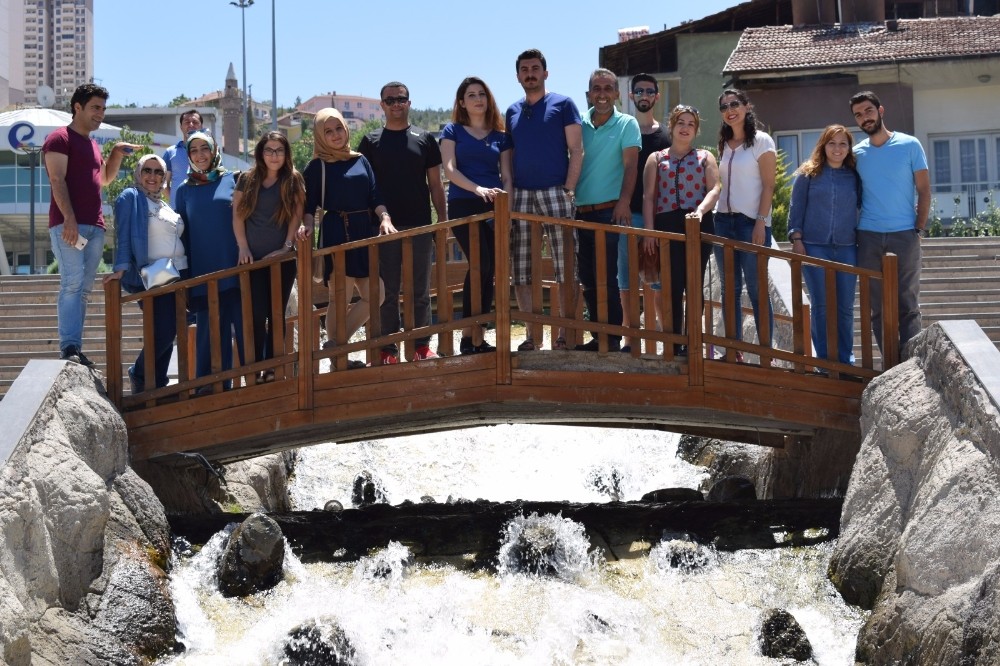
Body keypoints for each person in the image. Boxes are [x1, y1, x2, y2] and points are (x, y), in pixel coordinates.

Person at [43, 82, 139, 366]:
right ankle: (68, 347)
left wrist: (117, 154)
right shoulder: (59, 139)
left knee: (83, 289)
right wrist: (69, 219)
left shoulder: (92, 145)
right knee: (72, 284)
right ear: (78, 107)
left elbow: (104, 179)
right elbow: (57, 180)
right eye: (95, 108)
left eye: (103, 108)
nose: (100, 113)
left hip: (95, 228)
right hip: (67, 225)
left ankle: (74, 347)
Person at [358, 81, 446, 364]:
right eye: (390, 100)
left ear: (409, 103)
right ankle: (388, 351)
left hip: (420, 225)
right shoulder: (370, 142)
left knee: (420, 290)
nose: (396, 104)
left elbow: (436, 185)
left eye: (401, 99)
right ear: (382, 105)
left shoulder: (425, 139)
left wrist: (441, 223)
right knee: (387, 292)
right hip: (382, 229)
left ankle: (422, 346)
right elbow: (365, 189)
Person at [300, 108, 395, 363]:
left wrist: (385, 217)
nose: (335, 135)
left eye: (339, 128)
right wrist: (307, 226)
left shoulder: (361, 160)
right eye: (328, 131)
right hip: (335, 231)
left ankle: (334, 346)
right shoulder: (316, 166)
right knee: (338, 299)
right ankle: (338, 359)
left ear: (346, 128)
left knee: (377, 293)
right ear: (320, 136)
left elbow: (375, 195)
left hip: (363, 230)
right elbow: (308, 207)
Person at [505, 48, 583, 351]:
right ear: (518, 76)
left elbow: (576, 149)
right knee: (522, 267)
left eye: (535, 68)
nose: (530, 74)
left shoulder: (563, 104)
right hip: (521, 195)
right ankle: (531, 335)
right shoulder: (511, 111)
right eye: (524, 69)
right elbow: (508, 156)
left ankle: (564, 334)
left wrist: (568, 189)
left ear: (545, 73)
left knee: (566, 266)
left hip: (556, 192)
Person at [849, 90, 930, 359]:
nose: (864, 118)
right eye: (858, 115)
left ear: (880, 111)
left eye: (868, 111)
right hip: (869, 236)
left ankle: (912, 363)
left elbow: (924, 191)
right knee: (878, 308)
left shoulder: (910, 145)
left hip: (904, 234)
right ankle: (891, 364)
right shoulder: (856, 154)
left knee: (908, 303)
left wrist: (917, 228)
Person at [104, 154, 189, 393]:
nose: (152, 176)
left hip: (177, 275)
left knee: (168, 328)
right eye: (147, 171)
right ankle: (140, 374)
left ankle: (157, 381)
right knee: (164, 331)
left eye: (158, 172)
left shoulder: (163, 204)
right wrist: (120, 267)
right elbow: (123, 234)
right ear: (139, 174)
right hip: (153, 275)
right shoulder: (131, 197)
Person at [440, 76, 512, 355]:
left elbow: (507, 175)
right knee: (479, 264)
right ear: (462, 102)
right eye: (471, 95)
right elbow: (449, 170)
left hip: (495, 207)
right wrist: (478, 188)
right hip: (464, 204)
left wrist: (506, 204)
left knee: (490, 270)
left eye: (482, 93)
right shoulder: (452, 130)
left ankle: (476, 337)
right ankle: (469, 335)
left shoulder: (501, 136)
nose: (478, 99)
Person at [641, 105, 721, 356]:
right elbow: (649, 198)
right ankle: (674, 343)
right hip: (666, 225)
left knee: (693, 284)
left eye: (691, 124)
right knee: (671, 287)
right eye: (681, 123)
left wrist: (700, 210)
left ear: (696, 130)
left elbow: (714, 189)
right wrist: (649, 232)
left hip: (697, 223)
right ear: (672, 126)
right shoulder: (656, 158)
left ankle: (692, 341)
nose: (685, 128)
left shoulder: (705, 157)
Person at [574, 68, 640, 352]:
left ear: (616, 94)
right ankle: (598, 334)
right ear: (588, 94)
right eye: (596, 89)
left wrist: (624, 201)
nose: (602, 94)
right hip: (579, 212)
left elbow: (631, 166)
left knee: (607, 276)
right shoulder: (578, 125)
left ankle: (612, 336)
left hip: (608, 211)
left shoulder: (627, 124)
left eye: (607, 88)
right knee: (587, 277)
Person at [233, 131, 304, 384]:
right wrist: (242, 247)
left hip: (281, 260)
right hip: (251, 260)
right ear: (260, 153)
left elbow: (296, 216)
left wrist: (286, 247)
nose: (274, 155)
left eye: (279, 150)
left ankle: (274, 368)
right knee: (256, 314)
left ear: (286, 154)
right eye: (269, 150)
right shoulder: (247, 179)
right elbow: (238, 215)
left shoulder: (293, 179)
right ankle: (259, 368)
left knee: (276, 314)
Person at [175, 131, 243, 391]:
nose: (200, 154)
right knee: (209, 336)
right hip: (202, 275)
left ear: (214, 150)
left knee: (245, 332)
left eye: (205, 148)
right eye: (194, 150)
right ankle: (209, 392)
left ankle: (259, 389)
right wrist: (185, 280)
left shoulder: (234, 180)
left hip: (236, 270)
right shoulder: (184, 190)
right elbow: (183, 236)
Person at [787, 125, 862, 365]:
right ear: (823, 145)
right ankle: (824, 359)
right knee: (821, 305)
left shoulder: (854, 175)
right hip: (814, 245)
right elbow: (795, 209)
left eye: (843, 143)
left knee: (845, 306)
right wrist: (796, 239)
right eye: (832, 143)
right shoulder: (808, 174)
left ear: (849, 148)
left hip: (847, 246)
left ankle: (845, 359)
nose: (837, 148)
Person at [713, 88, 776, 358]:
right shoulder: (724, 144)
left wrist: (761, 222)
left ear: (747, 107)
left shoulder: (762, 141)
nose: (730, 109)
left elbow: (769, 185)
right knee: (730, 289)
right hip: (722, 222)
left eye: (735, 104)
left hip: (751, 222)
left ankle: (765, 352)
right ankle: (733, 350)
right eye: (724, 106)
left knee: (757, 286)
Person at [620, 74, 671, 350]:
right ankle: (630, 340)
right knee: (626, 278)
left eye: (649, 91)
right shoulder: (624, 131)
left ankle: (666, 337)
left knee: (659, 281)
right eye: (638, 90)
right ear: (631, 96)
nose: (643, 95)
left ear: (656, 96)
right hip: (628, 215)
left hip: (659, 217)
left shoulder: (666, 135)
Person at [162, 109, 203, 208]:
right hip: (178, 214)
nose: (191, 125)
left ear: (201, 126)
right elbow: (163, 184)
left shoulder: (211, 152)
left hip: (203, 211)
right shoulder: (170, 152)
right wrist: (178, 201)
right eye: (187, 122)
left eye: (195, 122)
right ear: (181, 127)